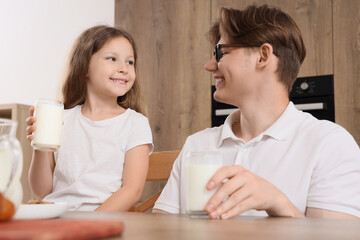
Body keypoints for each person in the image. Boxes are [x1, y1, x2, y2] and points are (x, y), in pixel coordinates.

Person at [153, 4, 360, 219]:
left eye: (220, 52)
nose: (209, 65)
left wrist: (278, 204)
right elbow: (160, 229)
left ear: (263, 56)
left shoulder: (329, 145)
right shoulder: (197, 146)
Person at [26, 25, 153, 211]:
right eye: (112, 59)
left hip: (102, 222)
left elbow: (133, 189)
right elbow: (42, 191)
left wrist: (91, 223)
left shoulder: (135, 123)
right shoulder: (62, 119)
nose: (124, 69)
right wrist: (40, 145)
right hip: (57, 219)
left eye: (130, 62)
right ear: (84, 67)